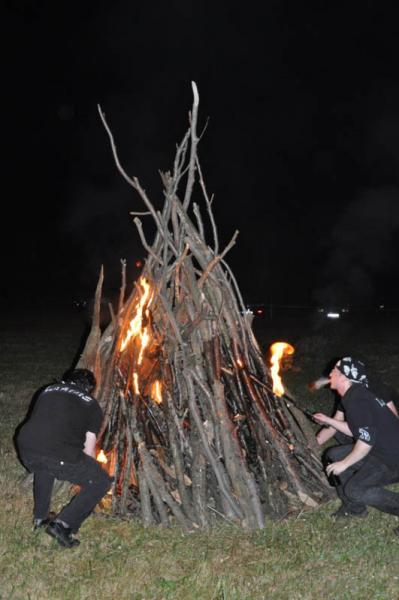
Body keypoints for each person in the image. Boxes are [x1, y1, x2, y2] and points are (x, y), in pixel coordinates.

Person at [16, 368, 112, 548]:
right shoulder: (92, 405)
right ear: (90, 388)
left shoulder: (48, 390)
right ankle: (63, 525)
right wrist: (89, 470)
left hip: (26, 447)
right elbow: (88, 450)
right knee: (101, 481)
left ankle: (41, 518)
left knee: (45, 466)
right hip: (56, 453)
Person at [313, 357, 399, 534]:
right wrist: (327, 420)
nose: (330, 374)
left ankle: (357, 499)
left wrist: (344, 464)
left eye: (334, 372)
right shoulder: (355, 394)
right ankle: (355, 510)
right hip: (380, 451)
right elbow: (356, 430)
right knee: (334, 455)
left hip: (392, 460)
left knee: (356, 489)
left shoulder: (357, 400)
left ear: (345, 378)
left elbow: (365, 440)